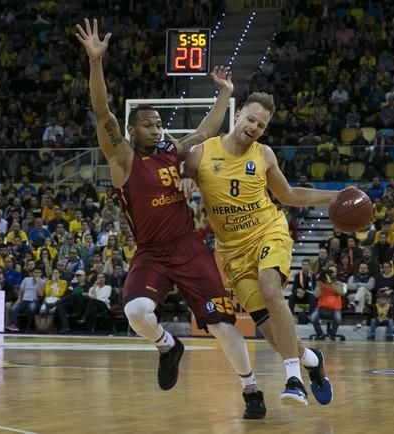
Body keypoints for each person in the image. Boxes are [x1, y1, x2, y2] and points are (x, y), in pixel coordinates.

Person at [77, 18, 265, 418]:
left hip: (189, 247)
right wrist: (96, 62)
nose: (157, 129)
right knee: (135, 312)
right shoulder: (122, 157)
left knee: (220, 323)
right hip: (152, 252)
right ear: (131, 130)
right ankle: (168, 346)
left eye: (160, 124)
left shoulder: (171, 152)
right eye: (149, 124)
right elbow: (100, 111)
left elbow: (206, 130)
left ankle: (251, 390)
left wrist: (226, 94)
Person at [185, 91, 336, 407]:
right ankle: (311, 359)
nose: (254, 127)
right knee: (271, 334)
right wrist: (185, 178)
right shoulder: (200, 155)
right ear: (238, 113)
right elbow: (180, 171)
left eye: (262, 125)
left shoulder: (264, 155)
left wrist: (333, 197)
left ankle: (294, 379)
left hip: (269, 231)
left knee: (270, 287)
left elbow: (289, 195)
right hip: (233, 253)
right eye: (251, 119)